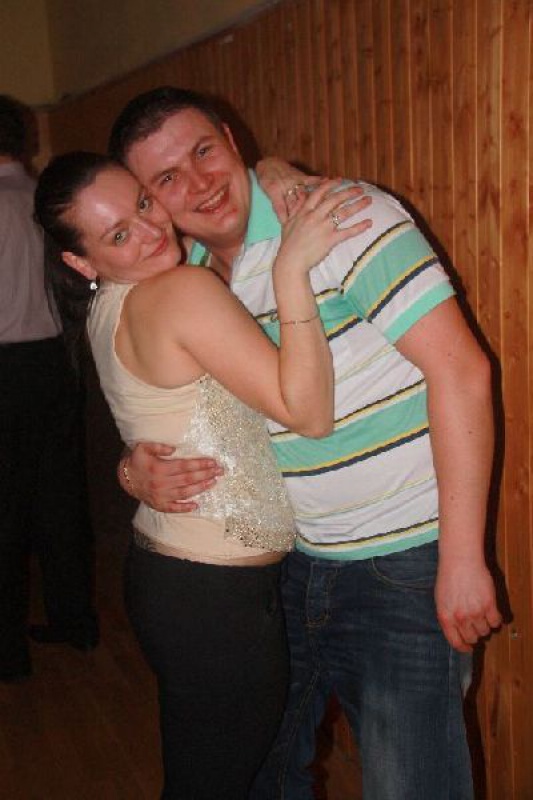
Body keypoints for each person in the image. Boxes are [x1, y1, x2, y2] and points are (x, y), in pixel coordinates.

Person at [107, 86, 503, 800]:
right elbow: (167, 403)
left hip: (403, 563)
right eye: (166, 178)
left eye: (204, 151)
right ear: (149, 203)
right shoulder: (184, 275)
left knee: (412, 787)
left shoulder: (337, 218)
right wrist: (132, 470)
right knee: (261, 777)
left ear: (231, 139)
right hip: (283, 569)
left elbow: (462, 373)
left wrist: (462, 557)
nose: (199, 182)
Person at [34, 150, 370, 799]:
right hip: (214, 599)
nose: (150, 230)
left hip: (182, 584)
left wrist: (269, 167)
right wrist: (291, 271)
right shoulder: (180, 291)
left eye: (142, 203)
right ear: (81, 262)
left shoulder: (114, 303)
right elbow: (308, 412)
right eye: (119, 235)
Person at [0, 96, 98, 683]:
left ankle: (7, 652)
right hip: (57, 364)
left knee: (4, 508)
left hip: (4, 370)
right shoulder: (48, 202)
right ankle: (75, 621)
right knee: (60, 496)